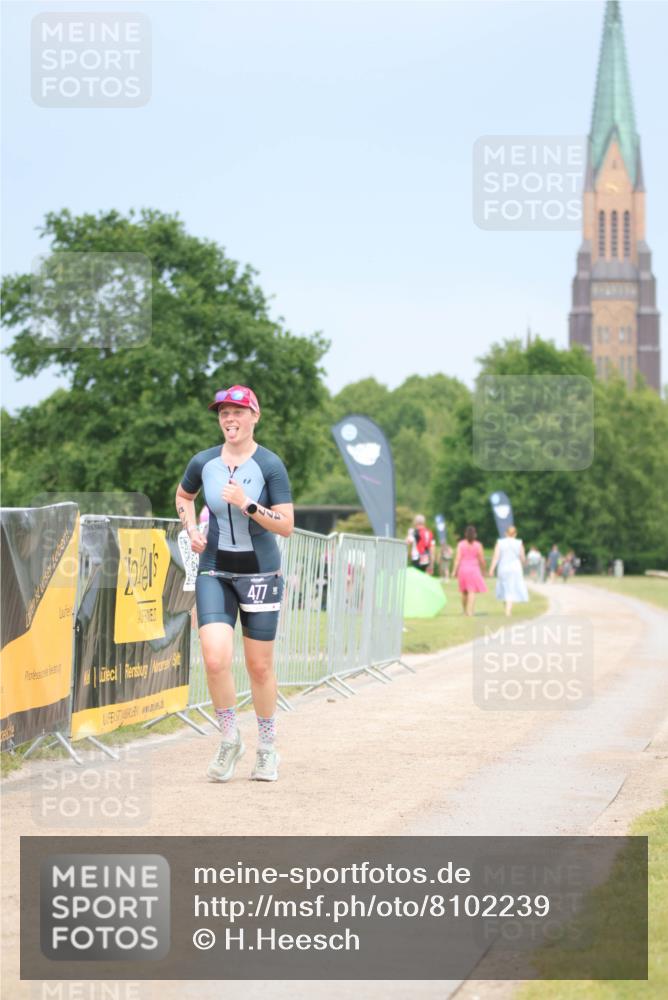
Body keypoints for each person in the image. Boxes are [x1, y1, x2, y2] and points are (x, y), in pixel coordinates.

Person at [175, 385, 294, 784]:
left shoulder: (270, 465)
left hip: (260, 572)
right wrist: (192, 529)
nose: (229, 419)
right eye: (223, 412)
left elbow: (286, 526)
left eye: (238, 412)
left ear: (254, 416)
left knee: (259, 667)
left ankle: (267, 747)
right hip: (214, 569)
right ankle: (229, 739)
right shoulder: (203, 461)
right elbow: (183, 496)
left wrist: (248, 504)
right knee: (214, 659)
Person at [489, 525, 529, 617]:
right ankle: (508, 610)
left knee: (505, 588)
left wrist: (491, 569)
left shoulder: (500, 542)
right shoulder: (519, 543)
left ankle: (507, 609)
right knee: (512, 588)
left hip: (503, 567)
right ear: (515, 534)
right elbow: (522, 557)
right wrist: (524, 563)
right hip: (515, 568)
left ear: (506, 533)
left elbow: (496, 557)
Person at [452, 525, 487, 616]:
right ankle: (470, 611)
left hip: (463, 569)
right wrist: (484, 570)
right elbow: (482, 559)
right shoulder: (478, 545)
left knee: (464, 591)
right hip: (474, 569)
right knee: (472, 591)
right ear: (475, 534)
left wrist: (454, 571)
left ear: (465, 534)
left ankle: (464, 610)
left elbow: (457, 559)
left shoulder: (461, 544)